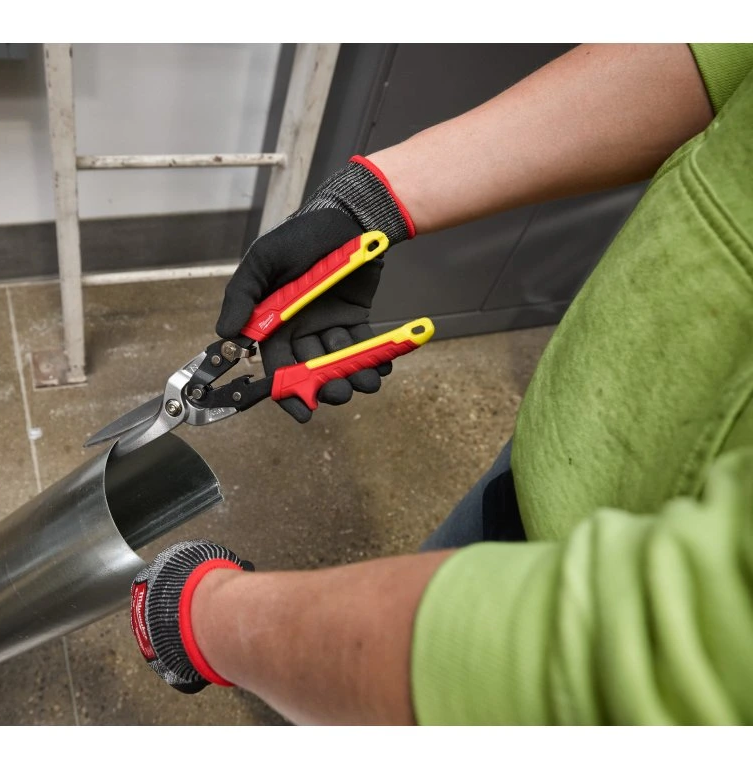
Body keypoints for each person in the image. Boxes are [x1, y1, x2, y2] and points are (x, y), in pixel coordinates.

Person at [128, 43, 753, 725]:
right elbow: (708, 54)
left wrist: (201, 616)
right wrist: (369, 203)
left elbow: (632, 662)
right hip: (567, 444)